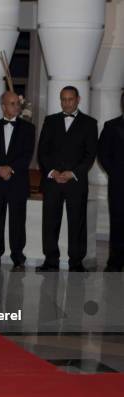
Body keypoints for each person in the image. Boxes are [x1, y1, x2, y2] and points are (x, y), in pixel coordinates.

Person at [36, 86, 97, 272]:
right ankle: (51, 260)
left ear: (78, 99)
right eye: (63, 99)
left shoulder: (89, 123)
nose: (66, 103)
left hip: (76, 182)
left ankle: (76, 262)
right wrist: (52, 171)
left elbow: (90, 154)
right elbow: (42, 151)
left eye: (70, 99)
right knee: (50, 221)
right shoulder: (50, 121)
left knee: (77, 222)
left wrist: (72, 173)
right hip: (52, 181)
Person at [0, 91, 35, 271]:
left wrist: (10, 168)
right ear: (3, 106)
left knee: (18, 221)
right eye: (11, 104)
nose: (16, 107)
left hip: (17, 181)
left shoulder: (28, 128)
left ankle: (18, 257)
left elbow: (27, 154)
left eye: (17, 104)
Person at [97, 92, 124, 272]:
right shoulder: (111, 125)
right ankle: (115, 262)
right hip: (119, 185)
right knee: (118, 223)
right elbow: (103, 154)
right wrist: (116, 173)